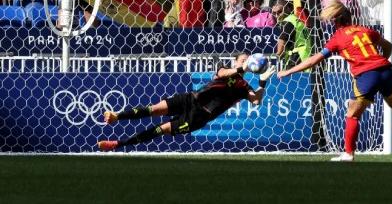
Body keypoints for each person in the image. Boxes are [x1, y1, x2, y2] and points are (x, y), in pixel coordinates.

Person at [278, 0, 392, 162]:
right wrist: (379, 62)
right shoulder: (366, 30)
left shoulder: (337, 38)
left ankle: (348, 154)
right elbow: (388, 46)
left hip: (367, 75)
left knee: (352, 114)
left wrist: (288, 71)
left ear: (335, 21)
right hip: (385, 71)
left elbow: (313, 61)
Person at [98, 53, 276, 151]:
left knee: (163, 129)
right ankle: (116, 116)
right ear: (236, 61)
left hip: (199, 116)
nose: (246, 62)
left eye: (247, 61)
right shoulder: (225, 69)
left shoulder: (243, 87)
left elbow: (256, 101)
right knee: (155, 109)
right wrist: (240, 68)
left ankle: (118, 144)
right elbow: (222, 74)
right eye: (243, 60)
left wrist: (262, 81)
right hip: (190, 98)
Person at [273, 0, 311, 69]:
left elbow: (281, 48)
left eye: (279, 12)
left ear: (288, 9)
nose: (276, 15)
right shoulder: (295, 19)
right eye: (274, 13)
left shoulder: (287, 22)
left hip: (297, 58)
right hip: (306, 55)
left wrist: (273, 59)